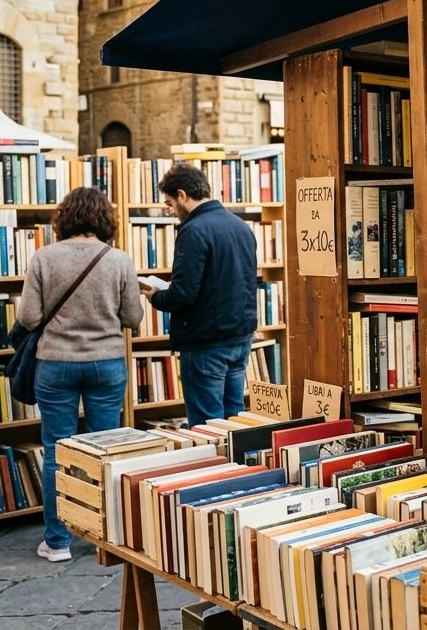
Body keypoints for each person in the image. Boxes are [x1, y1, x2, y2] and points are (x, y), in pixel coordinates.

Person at [17, 187, 143, 563]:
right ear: (104, 219)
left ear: (65, 218)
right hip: (106, 363)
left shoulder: (44, 258)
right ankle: (104, 537)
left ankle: (57, 542)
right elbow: (133, 318)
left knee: (57, 450)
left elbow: (28, 318)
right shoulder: (119, 260)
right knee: (105, 450)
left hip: (55, 363)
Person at [142, 164, 259, 426]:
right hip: (240, 337)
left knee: (207, 427)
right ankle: (239, 467)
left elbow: (183, 294)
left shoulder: (193, 230)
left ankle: (218, 468)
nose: (170, 211)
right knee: (235, 420)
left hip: (206, 343)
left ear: (182, 195)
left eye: (170, 203)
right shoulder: (240, 226)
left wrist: (155, 296)